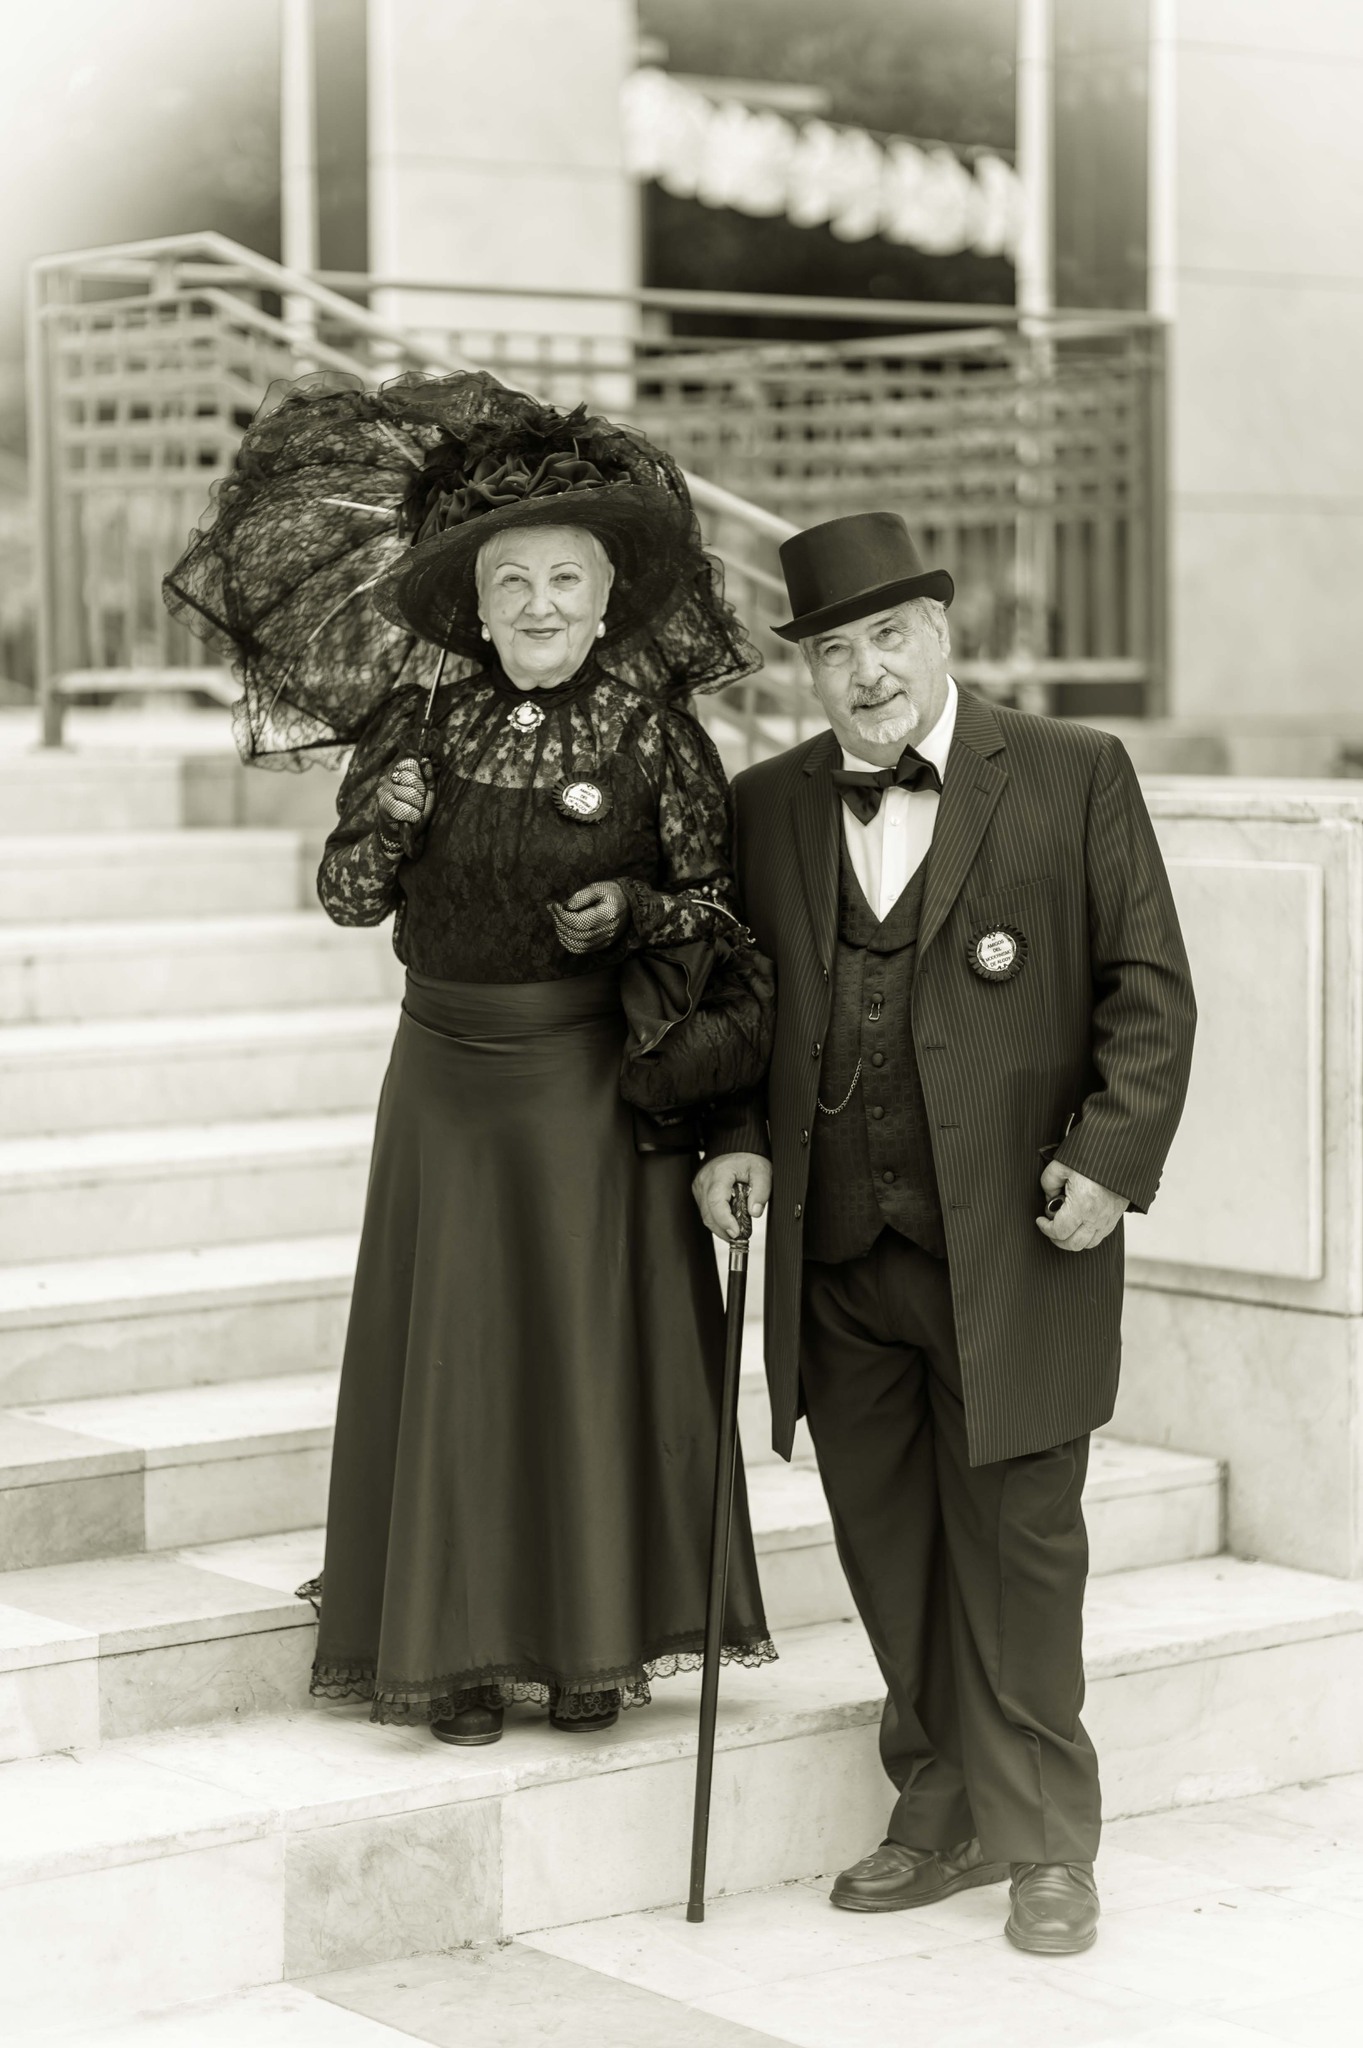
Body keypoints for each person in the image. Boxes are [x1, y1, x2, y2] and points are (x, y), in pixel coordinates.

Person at [166, 372, 774, 1744]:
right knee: (459, 1363)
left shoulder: (660, 738)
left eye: (567, 579)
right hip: (445, 1085)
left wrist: (639, 914)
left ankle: (587, 1646)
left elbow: (726, 926)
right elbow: (349, 900)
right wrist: (382, 818)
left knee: (581, 1360)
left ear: (608, 601)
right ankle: (458, 1656)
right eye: (513, 583)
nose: (541, 604)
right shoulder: (415, 724)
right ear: (475, 607)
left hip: (592, 1093)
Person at [694, 511, 1195, 1952]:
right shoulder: (769, 803)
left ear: (940, 632)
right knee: (889, 1540)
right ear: (809, 671)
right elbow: (740, 1003)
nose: (866, 674)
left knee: (1023, 1545)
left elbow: (1150, 991)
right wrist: (730, 1134)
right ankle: (939, 1804)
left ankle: (1046, 1841)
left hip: (1018, 1244)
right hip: (840, 1253)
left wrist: (1111, 1160)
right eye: (834, 652)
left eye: (889, 638)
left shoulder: (1072, 771)